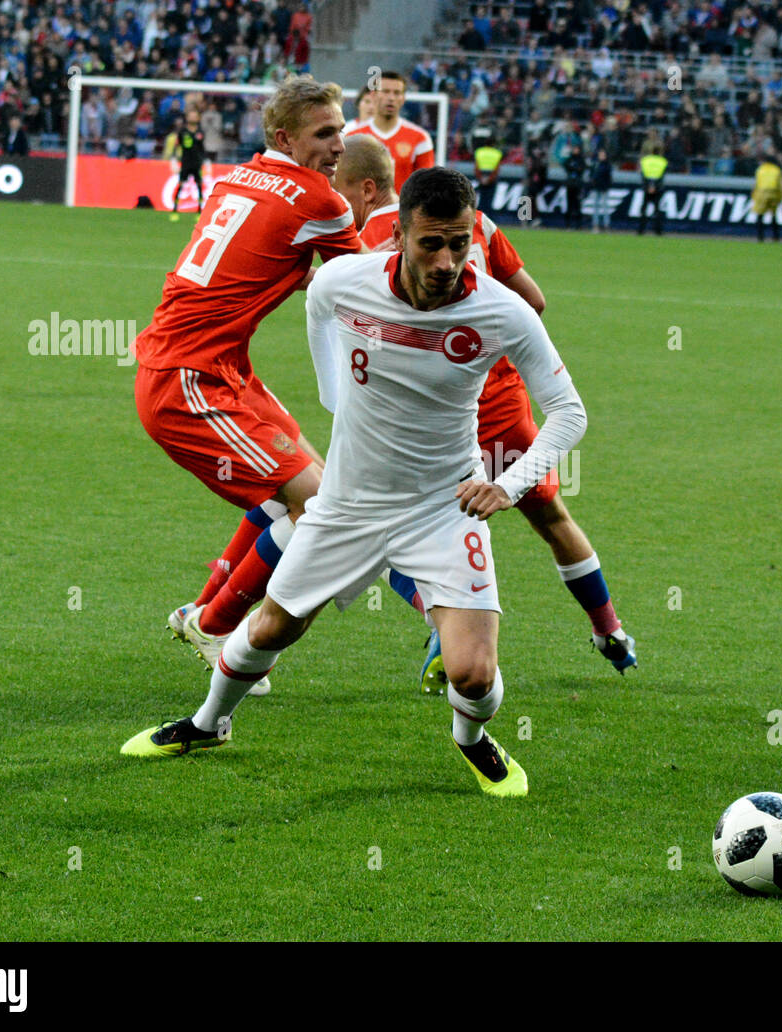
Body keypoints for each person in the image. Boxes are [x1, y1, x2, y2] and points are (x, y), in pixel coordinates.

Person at [122, 169, 590, 801]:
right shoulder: (349, 281)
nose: (448, 260)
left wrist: (511, 484)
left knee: (474, 675)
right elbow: (317, 310)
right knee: (268, 632)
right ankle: (209, 724)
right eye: (432, 243)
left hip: (441, 508)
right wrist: (333, 395)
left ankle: (472, 739)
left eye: (459, 243)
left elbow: (569, 411)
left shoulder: (500, 312)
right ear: (398, 236)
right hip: (345, 503)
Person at [334, 137, 637, 688]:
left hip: (426, 427)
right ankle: (609, 630)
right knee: (551, 519)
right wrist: (489, 334)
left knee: (380, 529)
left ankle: (436, 617)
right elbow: (533, 302)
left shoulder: (372, 245)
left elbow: (344, 309)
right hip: (502, 405)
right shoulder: (484, 228)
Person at [134, 77, 365, 696]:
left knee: (317, 493)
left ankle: (202, 614)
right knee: (320, 507)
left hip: (216, 368)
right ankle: (217, 627)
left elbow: (254, 267)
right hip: (191, 382)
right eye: (325, 133)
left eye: (341, 129)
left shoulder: (237, 176)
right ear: (286, 137)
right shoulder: (320, 200)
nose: (339, 144)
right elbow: (371, 289)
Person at [345, 70, 434, 191]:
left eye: (397, 93)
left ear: (403, 99)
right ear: (373, 95)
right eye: (386, 92)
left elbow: (427, 186)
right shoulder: (353, 137)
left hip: (403, 209)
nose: (391, 98)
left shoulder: (420, 138)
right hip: (365, 210)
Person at [164, 109, 207, 221]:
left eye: (195, 116)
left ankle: (199, 211)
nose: (193, 118)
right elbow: (176, 146)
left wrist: (205, 162)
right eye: (191, 115)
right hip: (185, 163)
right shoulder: (182, 131)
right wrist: (174, 160)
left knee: (199, 186)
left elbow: (202, 149)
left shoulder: (201, 132)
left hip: (197, 163)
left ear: (198, 118)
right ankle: (174, 210)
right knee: (181, 185)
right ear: (187, 118)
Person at [752, 154, 782, 241]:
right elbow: (780, 186)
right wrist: (781, 197)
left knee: (760, 215)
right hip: (773, 193)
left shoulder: (760, 169)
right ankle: (776, 237)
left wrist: (754, 196)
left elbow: (757, 184)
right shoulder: (776, 170)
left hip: (762, 193)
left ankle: (760, 236)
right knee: (774, 216)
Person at [638, 143, 668, 235]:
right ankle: (658, 231)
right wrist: (654, 186)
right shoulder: (663, 161)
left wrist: (649, 186)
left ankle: (641, 230)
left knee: (644, 209)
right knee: (657, 210)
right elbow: (661, 176)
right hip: (658, 188)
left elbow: (643, 175)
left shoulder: (645, 160)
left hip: (647, 187)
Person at [589, 147, 613, 232]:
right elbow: (591, 174)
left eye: (603, 155)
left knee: (605, 206)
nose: (601, 156)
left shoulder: (607, 165)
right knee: (596, 206)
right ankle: (595, 225)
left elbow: (608, 177)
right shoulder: (596, 164)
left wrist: (606, 185)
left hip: (604, 188)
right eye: (600, 155)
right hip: (596, 187)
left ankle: (606, 225)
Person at [563, 143, 587, 229]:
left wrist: (574, 168)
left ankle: (579, 224)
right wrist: (575, 168)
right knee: (569, 204)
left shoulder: (581, 159)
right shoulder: (570, 159)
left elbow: (582, 168)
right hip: (570, 185)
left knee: (577, 205)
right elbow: (566, 165)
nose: (575, 151)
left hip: (577, 185)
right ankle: (568, 224)